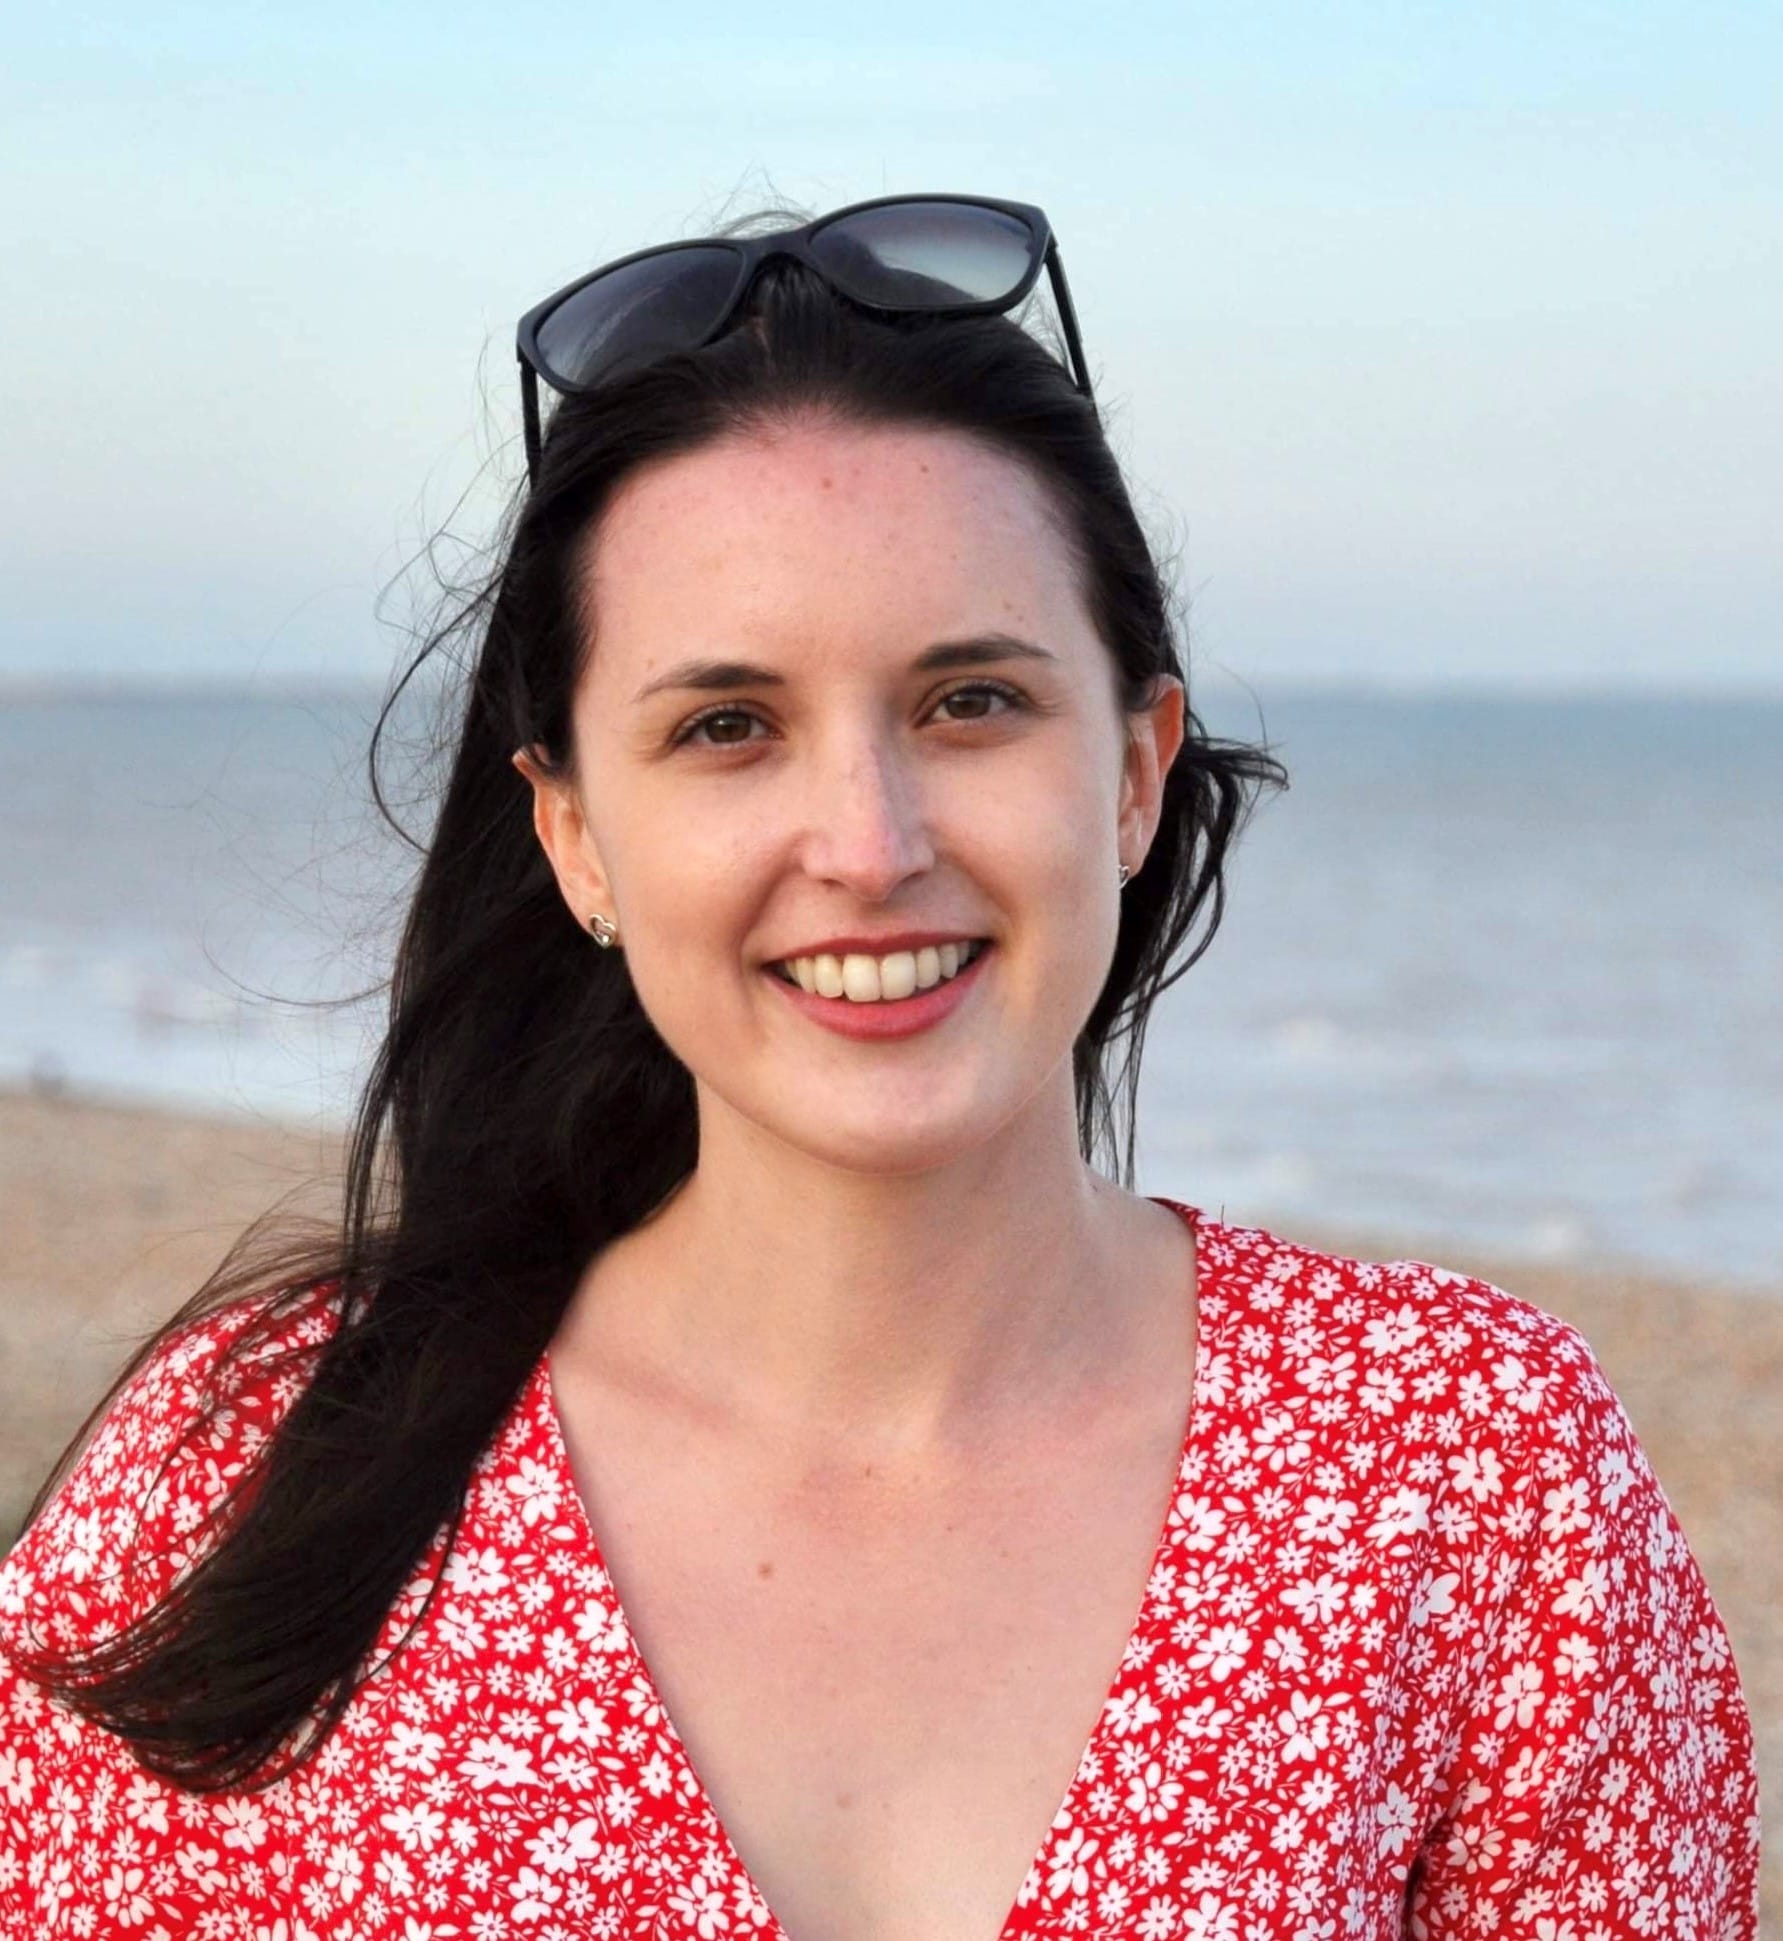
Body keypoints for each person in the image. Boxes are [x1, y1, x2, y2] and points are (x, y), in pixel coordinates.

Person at [0, 195, 1759, 1939]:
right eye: (727, 726)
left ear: (1137, 770)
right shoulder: (241, 1475)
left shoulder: (1475, 1474)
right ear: (576, 837)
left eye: (969, 702)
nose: (867, 838)